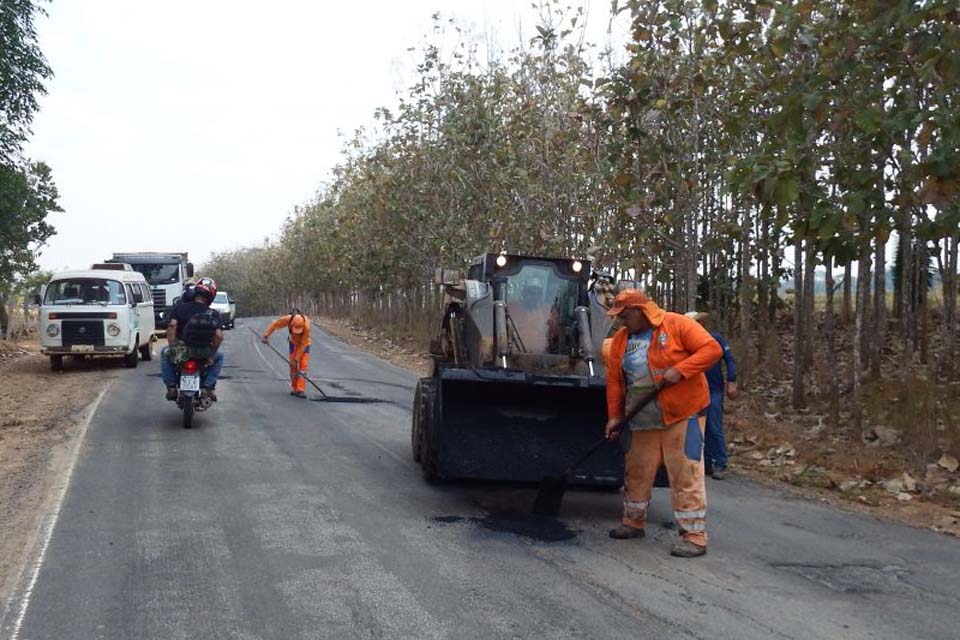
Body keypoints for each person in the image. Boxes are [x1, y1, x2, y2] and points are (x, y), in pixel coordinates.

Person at [604, 289, 722, 558]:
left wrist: (680, 371)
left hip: (683, 413)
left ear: (641, 312)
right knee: (637, 470)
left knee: (685, 471)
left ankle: (694, 535)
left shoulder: (677, 324)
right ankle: (633, 521)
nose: (621, 321)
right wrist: (614, 416)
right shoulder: (621, 340)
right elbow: (613, 380)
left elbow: (711, 350)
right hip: (642, 416)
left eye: (625, 315)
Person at [685, 311, 738, 480]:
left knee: (714, 426)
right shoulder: (686, 343)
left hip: (714, 389)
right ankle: (706, 463)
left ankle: (721, 463)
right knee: (699, 427)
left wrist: (731, 381)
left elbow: (729, 360)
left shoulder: (715, 339)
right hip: (696, 390)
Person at [161, 277, 224, 401]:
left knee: (164, 353)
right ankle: (208, 387)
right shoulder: (213, 313)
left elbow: (172, 326)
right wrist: (211, 355)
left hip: (182, 351)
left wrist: (173, 348)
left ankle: (171, 387)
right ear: (211, 296)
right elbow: (219, 336)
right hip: (203, 353)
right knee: (220, 357)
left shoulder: (180, 308)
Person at [261, 309, 312, 398]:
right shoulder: (288, 319)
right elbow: (275, 324)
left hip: (305, 345)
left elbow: (303, 344)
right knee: (293, 366)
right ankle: (294, 388)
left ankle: (300, 389)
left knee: (303, 367)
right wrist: (266, 335)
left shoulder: (307, 325)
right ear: (292, 324)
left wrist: (297, 359)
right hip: (293, 343)